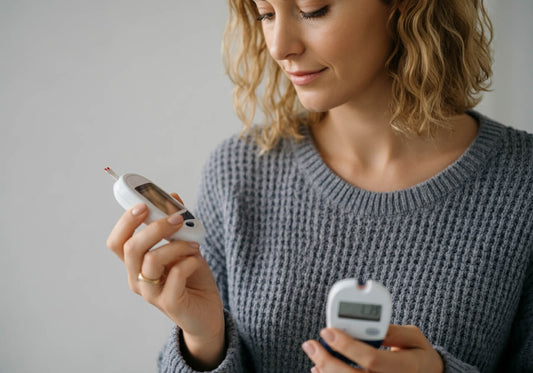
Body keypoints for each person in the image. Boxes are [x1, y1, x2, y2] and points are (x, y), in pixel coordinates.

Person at [106, 0, 533, 371]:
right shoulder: (240, 173)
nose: (279, 46)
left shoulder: (522, 185)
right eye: (265, 14)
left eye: (313, 10)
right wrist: (204, 342)